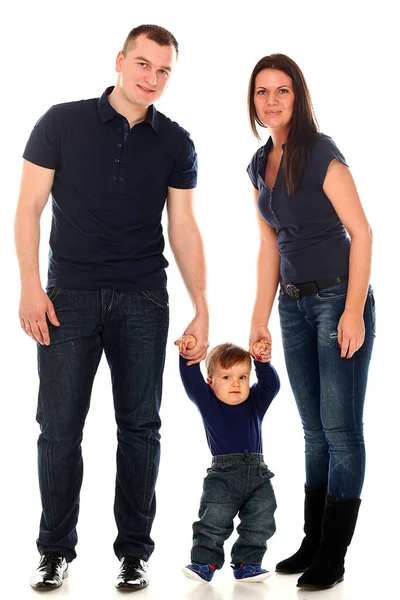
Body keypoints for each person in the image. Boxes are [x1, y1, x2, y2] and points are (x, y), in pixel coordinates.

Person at [14, 24, 209, 592]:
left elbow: (185, 227)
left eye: (164, 70)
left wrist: (202, 306)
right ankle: (54, 552)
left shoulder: (176, 142)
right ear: (120, 60)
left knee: (141, 428)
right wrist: (30, 285)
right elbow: (28, 208)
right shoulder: (60, 122)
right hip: (66, 297)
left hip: (144, 297)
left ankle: (133, 554)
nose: (152, 78)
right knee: (58, 429)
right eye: (143, 65)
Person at [246, 53, 375, 590]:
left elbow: (362, 233)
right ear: (252, 100)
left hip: (337, 299)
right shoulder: (258, 164)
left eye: (282, 91)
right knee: (313, 432)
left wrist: (351, 312)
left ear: (298, 97)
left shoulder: (321, 153)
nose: (271, 101)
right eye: (262, 92)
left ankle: (334, 553)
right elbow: (269, 246)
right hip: (293, 306)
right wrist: (260, 319)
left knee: (341, 432)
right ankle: (311, 540)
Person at [175, 334, 280, 583]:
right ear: (211, 382)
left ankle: (248, 564)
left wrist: (262, 362)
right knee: (214, 519)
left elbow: (271, 385)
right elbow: (191, 380)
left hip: (258, 475)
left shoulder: (255, 402)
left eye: (242, 377)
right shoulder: (209, 402)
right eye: (227, 377)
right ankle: (204, 563)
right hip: (223, 476)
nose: (236, 384)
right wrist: (187, 354)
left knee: (261, 519)